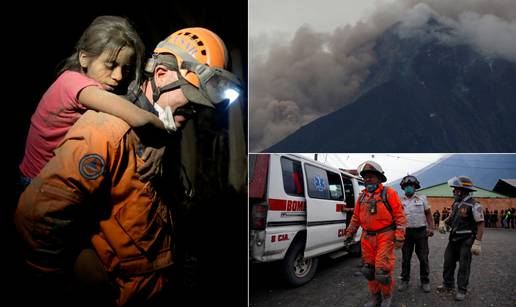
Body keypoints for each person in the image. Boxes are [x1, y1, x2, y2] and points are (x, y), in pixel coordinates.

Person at [14, 27, 241, 306]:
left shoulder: (167, 129)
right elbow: (35, 218)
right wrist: (73, 286)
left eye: (202, 106)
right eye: (191, 100)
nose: (194, 111)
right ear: (160, 76)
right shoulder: (105, 131)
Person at [19, 15, 165, 187]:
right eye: (110, 65)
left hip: (51, 176)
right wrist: (165, 138)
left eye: (125, 69)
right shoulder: (76, 85)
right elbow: (139, 119)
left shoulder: (76, 78)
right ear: (84, 58)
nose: (118, 76)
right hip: (37, 185)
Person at [344, 161, 407, 307]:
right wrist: (349, 232)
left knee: (382, 270)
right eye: (365, 177)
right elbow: (356, 217)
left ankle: (386, 296)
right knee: (368, 270)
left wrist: (400, 236)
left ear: (379, 178)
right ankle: (375, 296)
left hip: (385, 236)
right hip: (367, 237)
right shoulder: (362, 197)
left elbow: (400, 216)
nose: (367, 180)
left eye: (371, 177)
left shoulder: (389, 193)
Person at [437, 176, 484, 301]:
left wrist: (478, 241)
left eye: (455, 190)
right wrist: (444, 222)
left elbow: (480, 224)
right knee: (448, 263)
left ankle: (462, 290)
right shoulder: (457, 203)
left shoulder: (475, 205)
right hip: (453, 239)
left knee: (464, 266)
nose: (453, 192)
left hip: (467, 240)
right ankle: (448, 285)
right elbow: (452, 217)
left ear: (463, 191)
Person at [397, 175, 434, 293]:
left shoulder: (422, 199)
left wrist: (431, 228)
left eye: (411, 186)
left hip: (421, 232)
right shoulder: (399, 200)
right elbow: (396, 217)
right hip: (406, 233)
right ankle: (404, 280)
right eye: (406, 186)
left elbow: (428, 214)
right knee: (405, 258)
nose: (409, 188)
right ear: (403, 188)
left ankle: (425, 281)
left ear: (415, 187)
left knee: (423, 258)